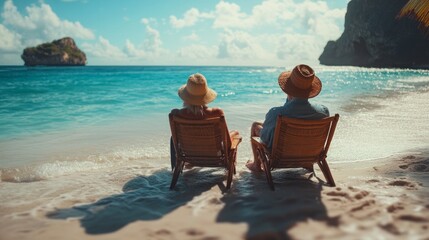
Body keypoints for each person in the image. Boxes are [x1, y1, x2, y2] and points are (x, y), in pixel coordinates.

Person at [246, 64, 330, 172]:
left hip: (282, 156)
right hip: (310, 154)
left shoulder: (276, 113)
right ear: (309, 89)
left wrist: (288, 100)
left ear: (288, 89)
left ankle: (256, 165)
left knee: (255, 125)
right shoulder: (323, 112)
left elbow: (265, 139)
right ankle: (306, 163)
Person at [170, 73, 239, 170]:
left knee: (173, 137)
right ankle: (230, 167)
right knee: (235, 134)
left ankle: (177, 168)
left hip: (189, 155)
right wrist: (233, 134)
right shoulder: (217, 113)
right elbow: (228, 144)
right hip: (214, 155)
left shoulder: (176, 114)